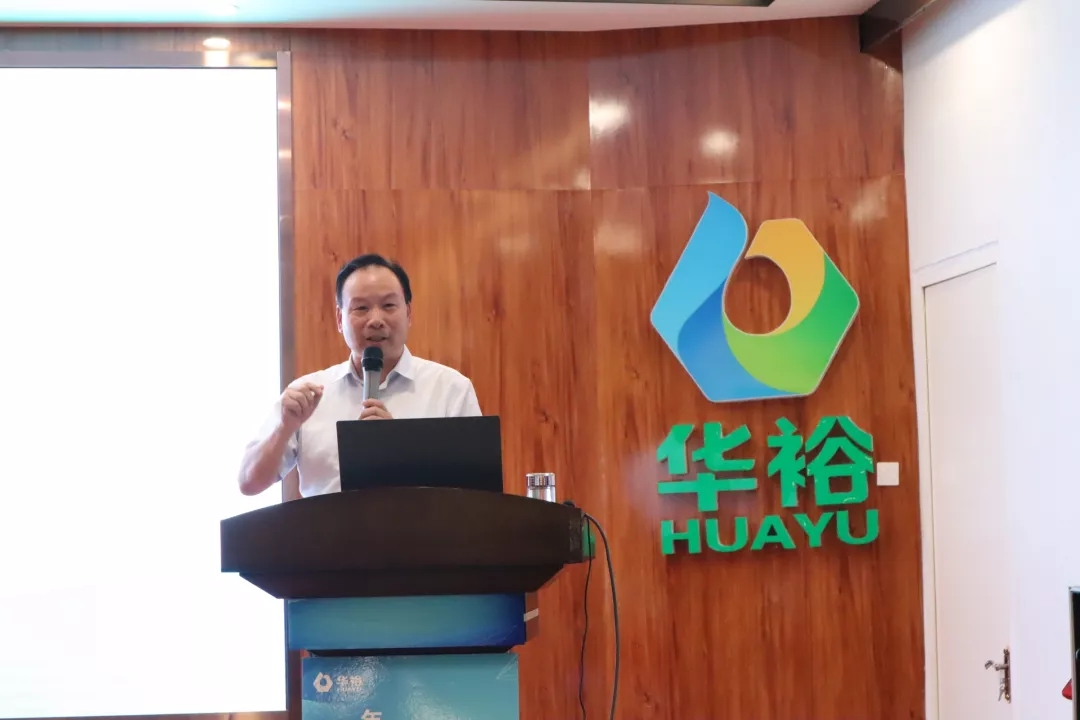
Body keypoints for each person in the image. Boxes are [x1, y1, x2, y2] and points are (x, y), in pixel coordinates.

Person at [238, 253, 482, 497]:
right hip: (327, 524)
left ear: (408, 313)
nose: (376, 320)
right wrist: (284, 428)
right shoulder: (308, 394)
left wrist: (403, 451)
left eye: (388, 306)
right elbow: (249, 483)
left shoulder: (451, 389)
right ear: (339, 319)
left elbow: (478, 493)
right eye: (361, 308)